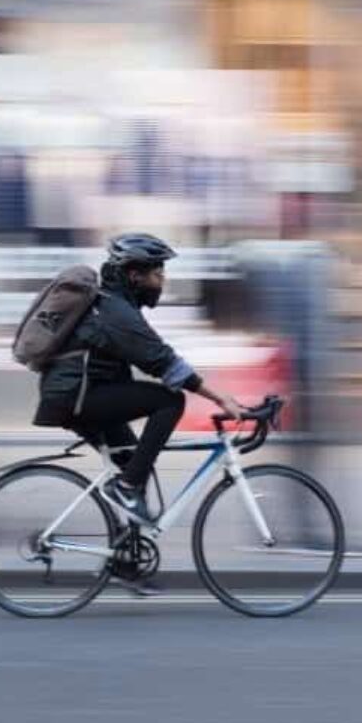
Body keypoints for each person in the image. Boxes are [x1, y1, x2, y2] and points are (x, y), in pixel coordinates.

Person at [33, 234, 248, 577]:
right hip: (75, 398)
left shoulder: (116, 304)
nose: (162, 281)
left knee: (133, 462)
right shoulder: (115, 311)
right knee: (170, 401)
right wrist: (221, 398)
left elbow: (155, 356)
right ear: (135, 274)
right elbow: (164, 363)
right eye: (158, 273)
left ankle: (124, 562)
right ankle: (127, 489)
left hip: (80, 396)